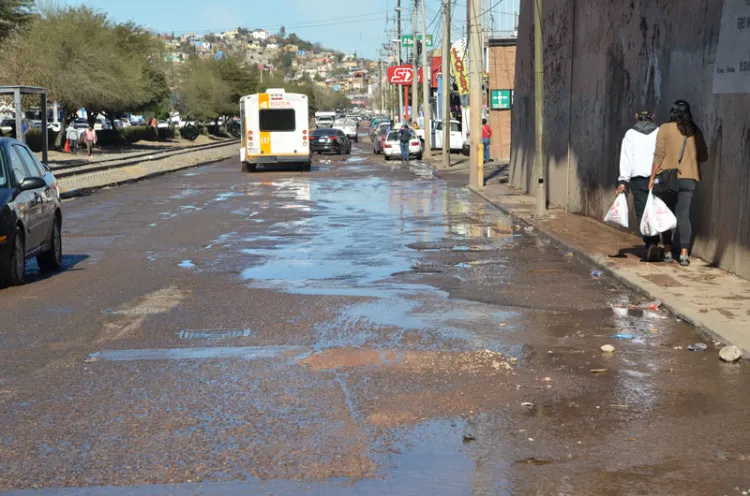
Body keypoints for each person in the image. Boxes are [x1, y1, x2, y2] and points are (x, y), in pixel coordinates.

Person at [649, 100, 708, 266]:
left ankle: (667, 251)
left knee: (666, 214)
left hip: (668, 178)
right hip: (688, 178)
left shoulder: (665, 128)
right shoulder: (694, 130)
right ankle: (683, 254)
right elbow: (704, 156)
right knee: (683, 215)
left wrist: (652, 177)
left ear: (673, 112)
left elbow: (658, 155)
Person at [617, 110, 660, 261]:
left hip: (638, 179)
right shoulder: (659, 132)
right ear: (652, 116)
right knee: (655, 211)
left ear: (636, 117)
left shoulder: (630, 134)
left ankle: (650, 242)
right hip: (657, 178)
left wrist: (623, 180)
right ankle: (654, 241)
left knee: (642, 213)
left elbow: (626, 158)